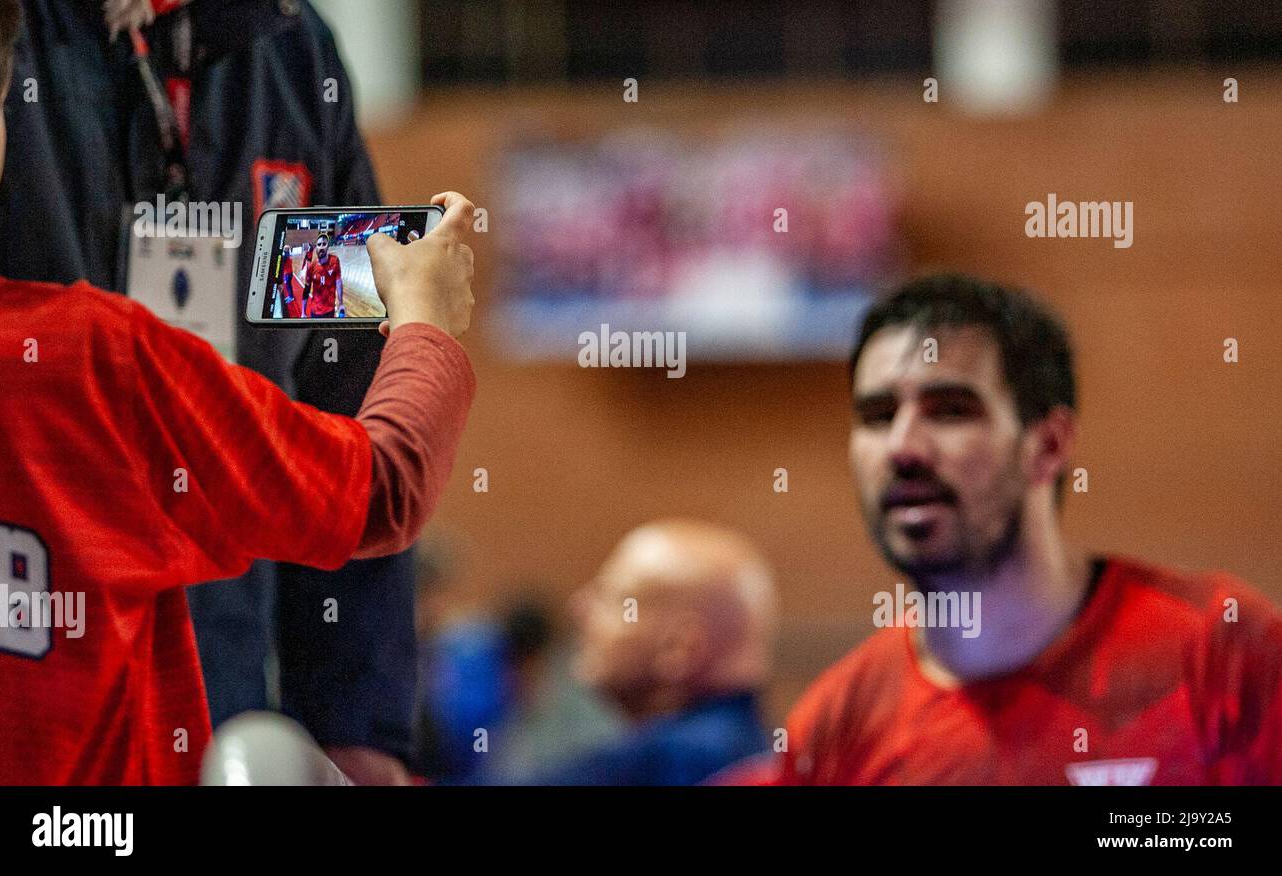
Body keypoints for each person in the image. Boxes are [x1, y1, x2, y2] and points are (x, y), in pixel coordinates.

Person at [0, 0, 478, 783]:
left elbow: (344, 377)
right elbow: (381, 483)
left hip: (224, 689)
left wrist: (360, 731)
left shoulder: (284, 43)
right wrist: (429, 325)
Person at [778, 273, 1282, 785]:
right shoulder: (835, 727)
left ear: (1049, 447)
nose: (902, 448)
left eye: (950, 411)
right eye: (878, 415)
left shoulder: (1223, 652)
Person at [521, 520, 777, 786]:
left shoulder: (673, 761)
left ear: (679, 647)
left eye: (611, 596)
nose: (580, 609)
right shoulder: (748, 751)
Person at [303, 230, 343, 318]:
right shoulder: (311, 266)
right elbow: (307, 289)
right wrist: (303, 312)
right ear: (316, 247)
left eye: (324, 244)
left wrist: (341, 304)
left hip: (330, 309)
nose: (321, 247)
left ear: (328, 246)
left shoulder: (335, 261)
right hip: (315, 310)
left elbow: (339, 282)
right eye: (319, 244)